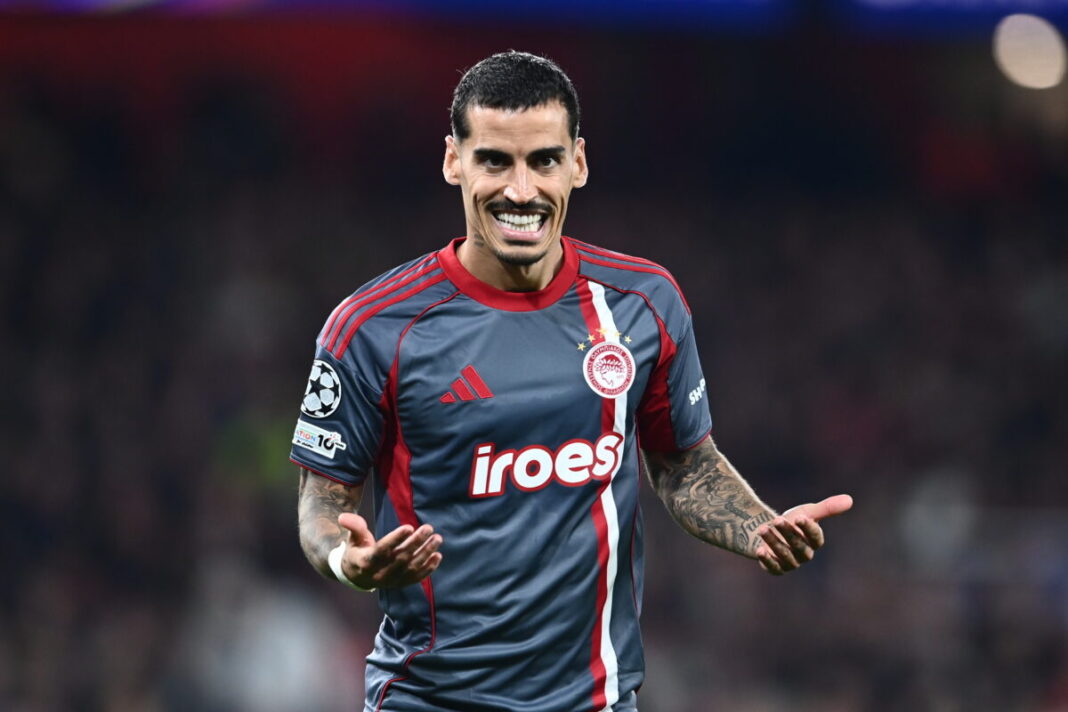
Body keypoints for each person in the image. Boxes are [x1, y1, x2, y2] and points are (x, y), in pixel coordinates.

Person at [291, 50, 853, 712]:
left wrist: (756, 526)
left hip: (596, 701)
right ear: (453, 160)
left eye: (544, 161)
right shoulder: (372, 327)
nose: (520, 190)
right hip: (428, 699)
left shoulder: (644, 304)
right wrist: (346, 562)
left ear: (577, 163)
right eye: (494, 161)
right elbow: (321, 501)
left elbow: (683, 464)